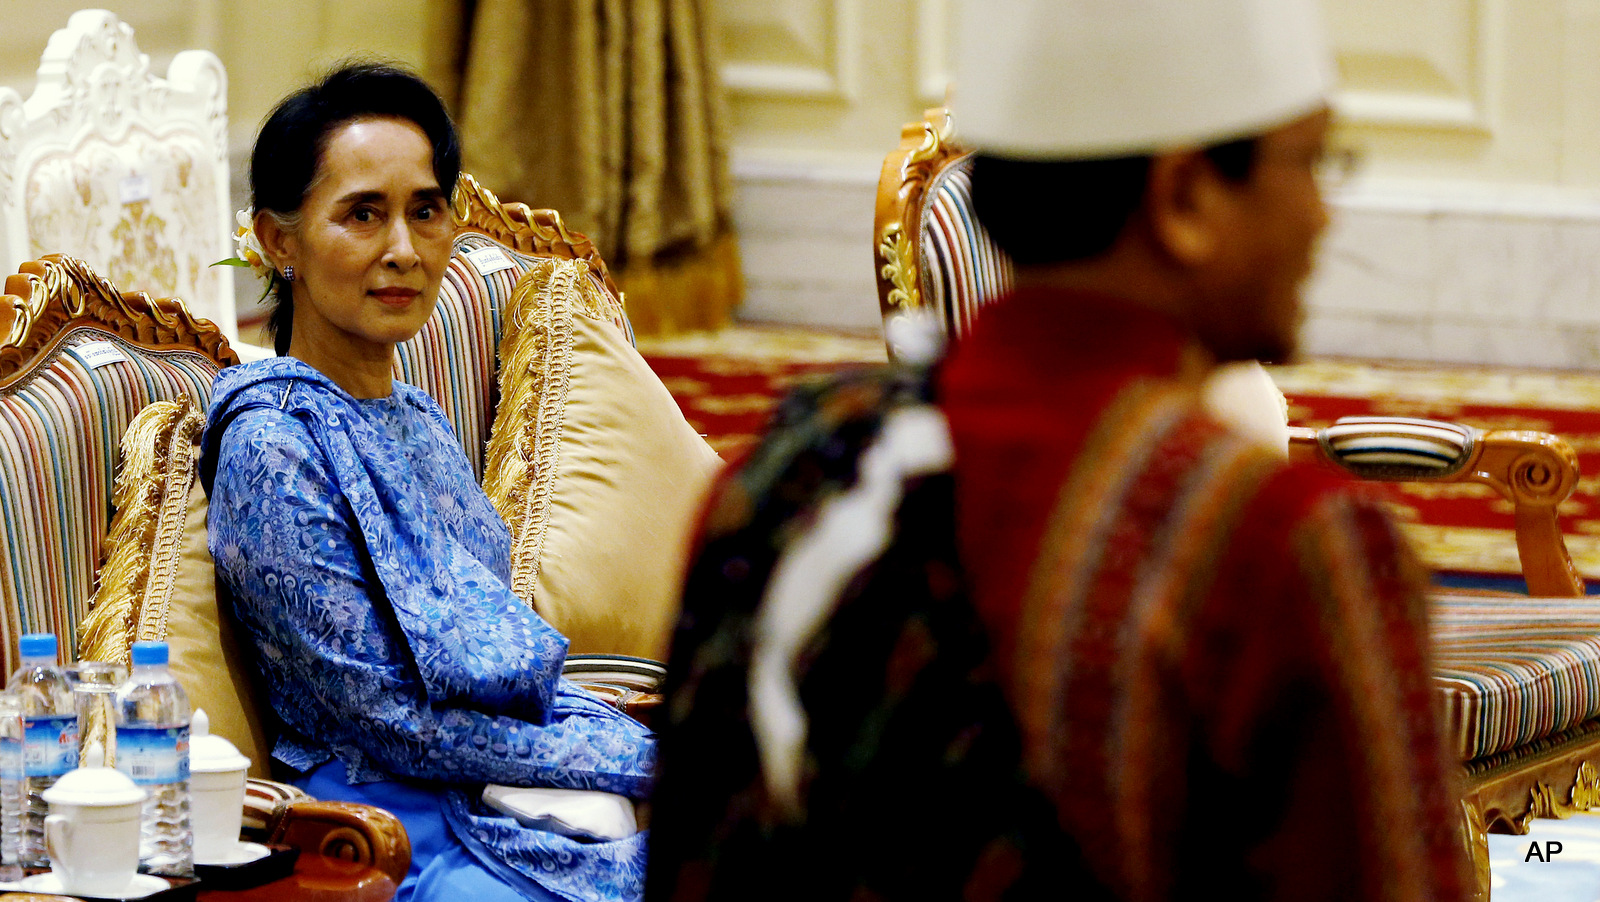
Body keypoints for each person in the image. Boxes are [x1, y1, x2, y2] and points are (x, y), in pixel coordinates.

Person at [646, 2, 1474, 900]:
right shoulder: (1280, 553)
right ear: (1186, 198)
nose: (1322, 214)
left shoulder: (778, 478)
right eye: (1311, 163)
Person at [201, 63, 653, 902]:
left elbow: (493, 645)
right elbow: (387, 721)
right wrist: (632, 759)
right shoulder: (272, 445)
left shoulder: (419, 416)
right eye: (362, 214)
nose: (403, 250)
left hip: (497, 771)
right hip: (386, 819)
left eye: (425, 211)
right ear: (278, 239)